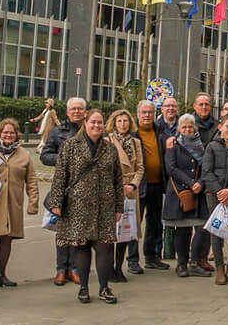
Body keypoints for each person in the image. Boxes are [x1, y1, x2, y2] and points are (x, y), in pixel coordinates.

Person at [45, 109, 123, 304]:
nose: (97, 126)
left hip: (105, 206)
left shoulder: (110, 148)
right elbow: (60, 176)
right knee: (82, 247)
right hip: (77, 206)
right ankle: (83, 288)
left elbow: (118, 180)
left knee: (105, 248)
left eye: (100, 123)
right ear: (85, 123)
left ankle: (104, 288)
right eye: (93, 122)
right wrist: (55, 203)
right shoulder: (70, 146)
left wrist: (119, 207)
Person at [0, 118, 38, 291]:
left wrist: (33, 203)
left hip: (13, 203)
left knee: (7, 240)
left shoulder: (24, 154)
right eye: (5, 132)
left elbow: (32, 180)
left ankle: (1, 275)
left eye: (12, 132)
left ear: (16, 134)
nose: (8, 135)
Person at [40, 96, 86, 286]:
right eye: (73, 109)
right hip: (63, 188)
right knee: (62, 231)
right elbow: (45, 156)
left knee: (78, 231)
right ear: (67, 112)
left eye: (80, 109)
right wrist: (63, 158)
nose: (76, 111)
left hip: (84, 188)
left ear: (85, 112)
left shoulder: (90, 131)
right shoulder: (58, 132)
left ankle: (76, 268)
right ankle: (61, 269)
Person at [163, 114, 211, 278]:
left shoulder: (202, 145)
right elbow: (171, 168)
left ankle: (195, 262)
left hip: (198, 193)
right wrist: (191, 183)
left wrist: (201, 183)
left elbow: (207, 166)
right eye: (184, 127)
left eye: (190, 127)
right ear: (179, 129)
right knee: (182, 230)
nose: (187, 130)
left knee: (202, 228)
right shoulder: (173, 145)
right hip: (180, 192)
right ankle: (181, 264)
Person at [201, 114, 228, 285]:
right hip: (214, 195)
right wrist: (220, 191)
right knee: (216, 231)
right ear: (220, 127)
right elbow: (207, 171)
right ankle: (220, 268)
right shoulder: (212, 147)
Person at [104, 109, 144, 283]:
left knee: (125, 232)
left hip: (131, 191)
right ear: (113, 123)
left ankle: (118, 267)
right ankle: (107, 269)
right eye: (119, 121)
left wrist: (133, 184)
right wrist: (120, 186)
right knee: (110, 231)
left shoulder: (135, 142)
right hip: (113, 189)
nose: (122, 124)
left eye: (125, 121)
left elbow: (140, 167)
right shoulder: (107, 142)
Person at [135, 100, 170, 271]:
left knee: (154, 223)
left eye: (150, 112)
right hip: (139, 185)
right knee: (134, 223)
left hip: (157, 184)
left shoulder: (160, 130)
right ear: (138, 114)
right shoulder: (133, 133)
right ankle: (132, 260)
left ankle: (151, 257)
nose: (147, 115)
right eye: (144, 112)